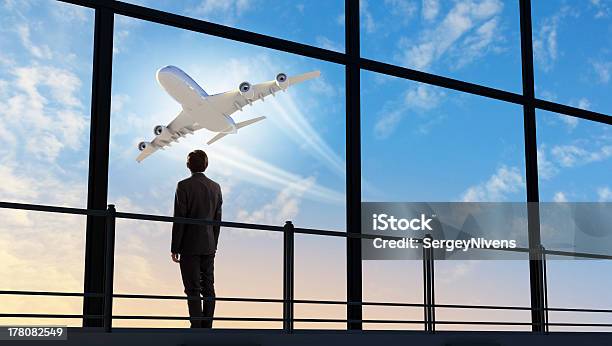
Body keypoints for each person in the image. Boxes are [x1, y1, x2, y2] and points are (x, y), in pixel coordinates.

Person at [171, 150, 222, 328]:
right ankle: (207, 326)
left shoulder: (183, 186)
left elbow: (180, 218)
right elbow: (217, 220)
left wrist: (175, 246)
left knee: (192, 288)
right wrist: (214, 243)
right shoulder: (215, 187)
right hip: (208, 243)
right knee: (208, 286)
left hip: (189, 244)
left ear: (188, 165)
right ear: (206, 165)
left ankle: (196, 326)